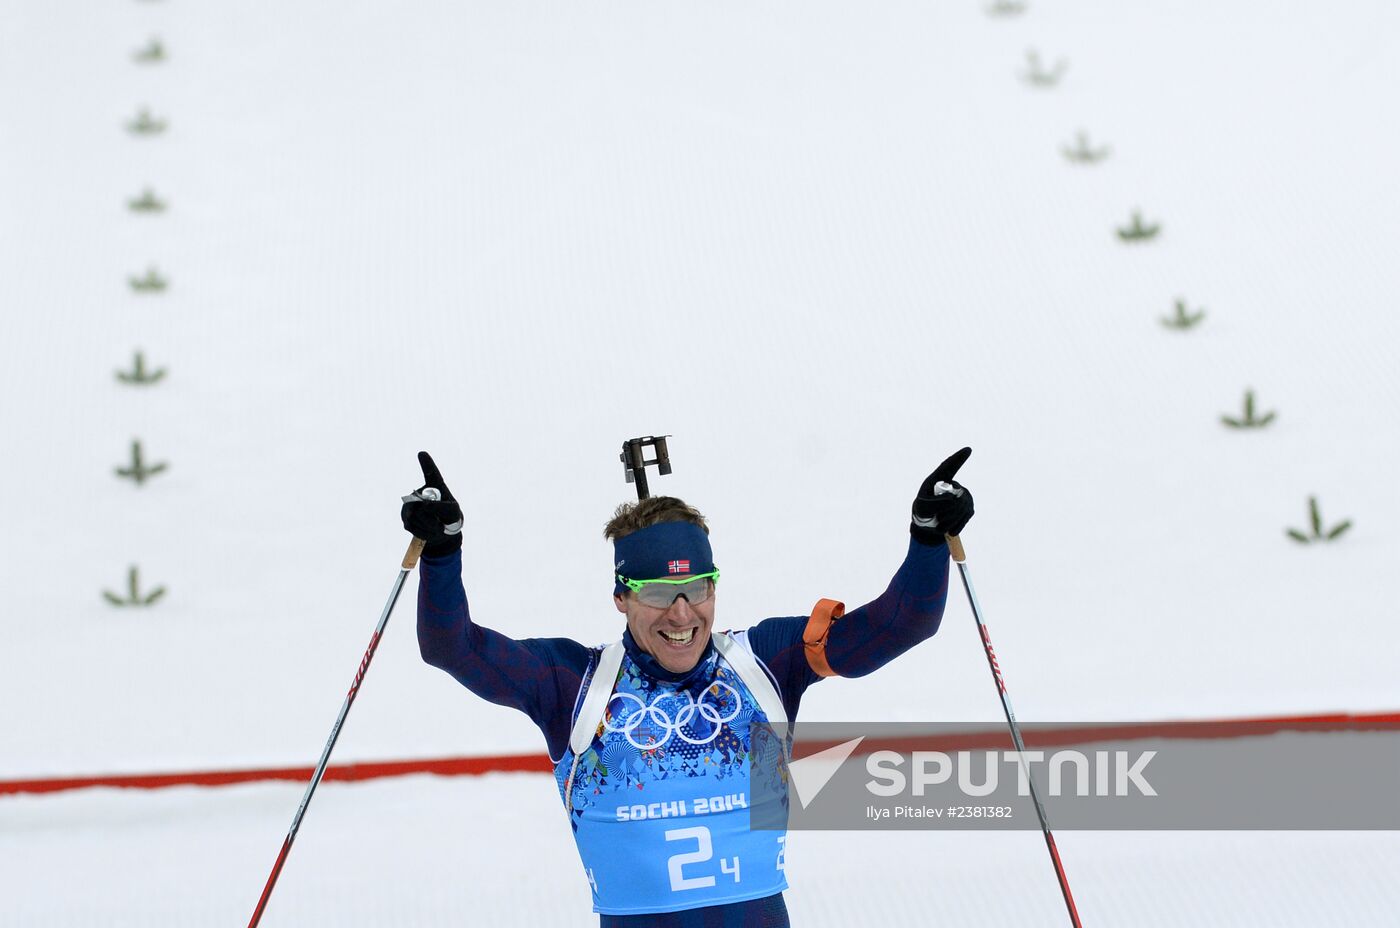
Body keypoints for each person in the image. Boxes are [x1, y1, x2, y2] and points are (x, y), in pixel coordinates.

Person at [402, 448, 975, 927]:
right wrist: (443, 553)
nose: (682, 614)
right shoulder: (574, 683)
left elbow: (903, 623)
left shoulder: (766, 663)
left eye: (697, 588)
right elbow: (454, 647)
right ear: (621, 598)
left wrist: (928, 540)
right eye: (655, 593)